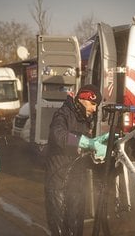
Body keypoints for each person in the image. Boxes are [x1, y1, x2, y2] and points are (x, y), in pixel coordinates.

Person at [44, 84, 108, 236]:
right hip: (58, 182)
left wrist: (97, 146)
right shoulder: (63, 114)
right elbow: (58, 135)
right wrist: (87, 142)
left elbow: (83, 146)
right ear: (83, 98)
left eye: (96, 106)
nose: (94, 109)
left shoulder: (84, 119)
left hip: (77, 182)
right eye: (93, 104)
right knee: (60, 230)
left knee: (76, 229)